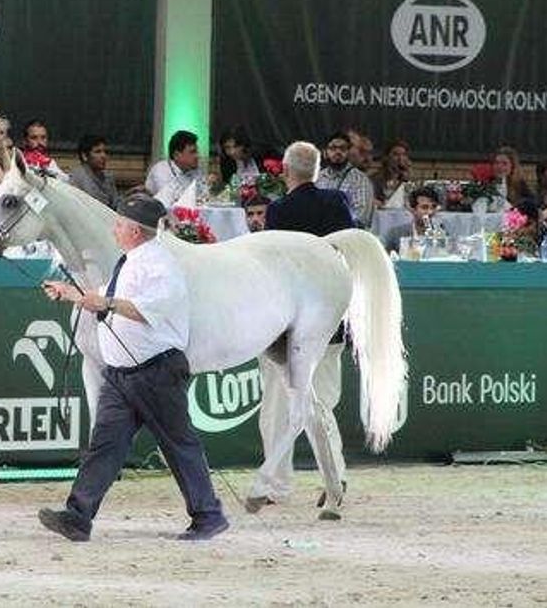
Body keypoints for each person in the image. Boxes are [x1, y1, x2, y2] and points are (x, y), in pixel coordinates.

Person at [37, 194, 228, 542]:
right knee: (104, 445)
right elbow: (107, 294)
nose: (114, 228)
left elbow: (148, 309)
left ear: (136, 231)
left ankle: (208, 515)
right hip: (122, 373)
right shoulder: (131, 260)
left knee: (178, 444)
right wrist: (71, 293)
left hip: (156, 372)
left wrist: (106, 303)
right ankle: (78, 516)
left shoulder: (161, 265)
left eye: (120, 223)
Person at [246, 140, 351, 512]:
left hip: (288, 329)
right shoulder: (337, 204)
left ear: (286, 172)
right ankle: (334, 477)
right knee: (321, 404)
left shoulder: (279, 211)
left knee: (277, 405)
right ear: (318, 171)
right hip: (332, 322)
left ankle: (277, 485)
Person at [316, 130, 373, 227]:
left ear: (348, 152)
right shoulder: (318, 177)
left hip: (346, 235)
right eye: (333, 148)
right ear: (325, 152)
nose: (338, 152)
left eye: (343, 148)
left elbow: (361, 217)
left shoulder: (360, 179)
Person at [144, 130, 203, 207]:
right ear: (176, 155)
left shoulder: (195, 171)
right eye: (192, 152)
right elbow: (168, 202)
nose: (197, 156)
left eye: (197, 152)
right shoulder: (161, 170)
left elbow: (203, 196)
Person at [381, 184, 440, 253]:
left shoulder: (441, 235)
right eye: (424, 207)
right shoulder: (396, 235)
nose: (430, 212)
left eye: (433, 207)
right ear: (413, 210)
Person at [68, 133, 119, 209]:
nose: (103, 156)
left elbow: (115, 205)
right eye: (97, 152)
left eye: (105, 152)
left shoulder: (108, 177)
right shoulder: (76, 179)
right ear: (85, 156)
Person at [370, 138, 412, 208]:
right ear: (387, 157)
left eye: (404, 155)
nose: (400, 159)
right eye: (396, 154)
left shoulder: (407, 181)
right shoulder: (375, 180)